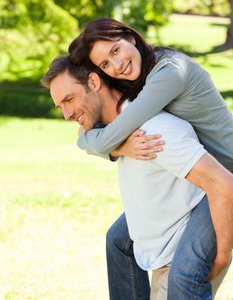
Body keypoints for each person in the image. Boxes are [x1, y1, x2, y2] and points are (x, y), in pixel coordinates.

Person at [41, 55, 233, 300]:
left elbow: (224, 186)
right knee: (118, 241)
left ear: (94, 81)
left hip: (178, 254)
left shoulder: (153, 133)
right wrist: (118, 147)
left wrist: (221, 256)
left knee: (184, 276)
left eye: (69, 99)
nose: (66, 114)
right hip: (160, 242)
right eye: (61, 106)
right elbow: (85, 138)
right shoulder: (112, 132)